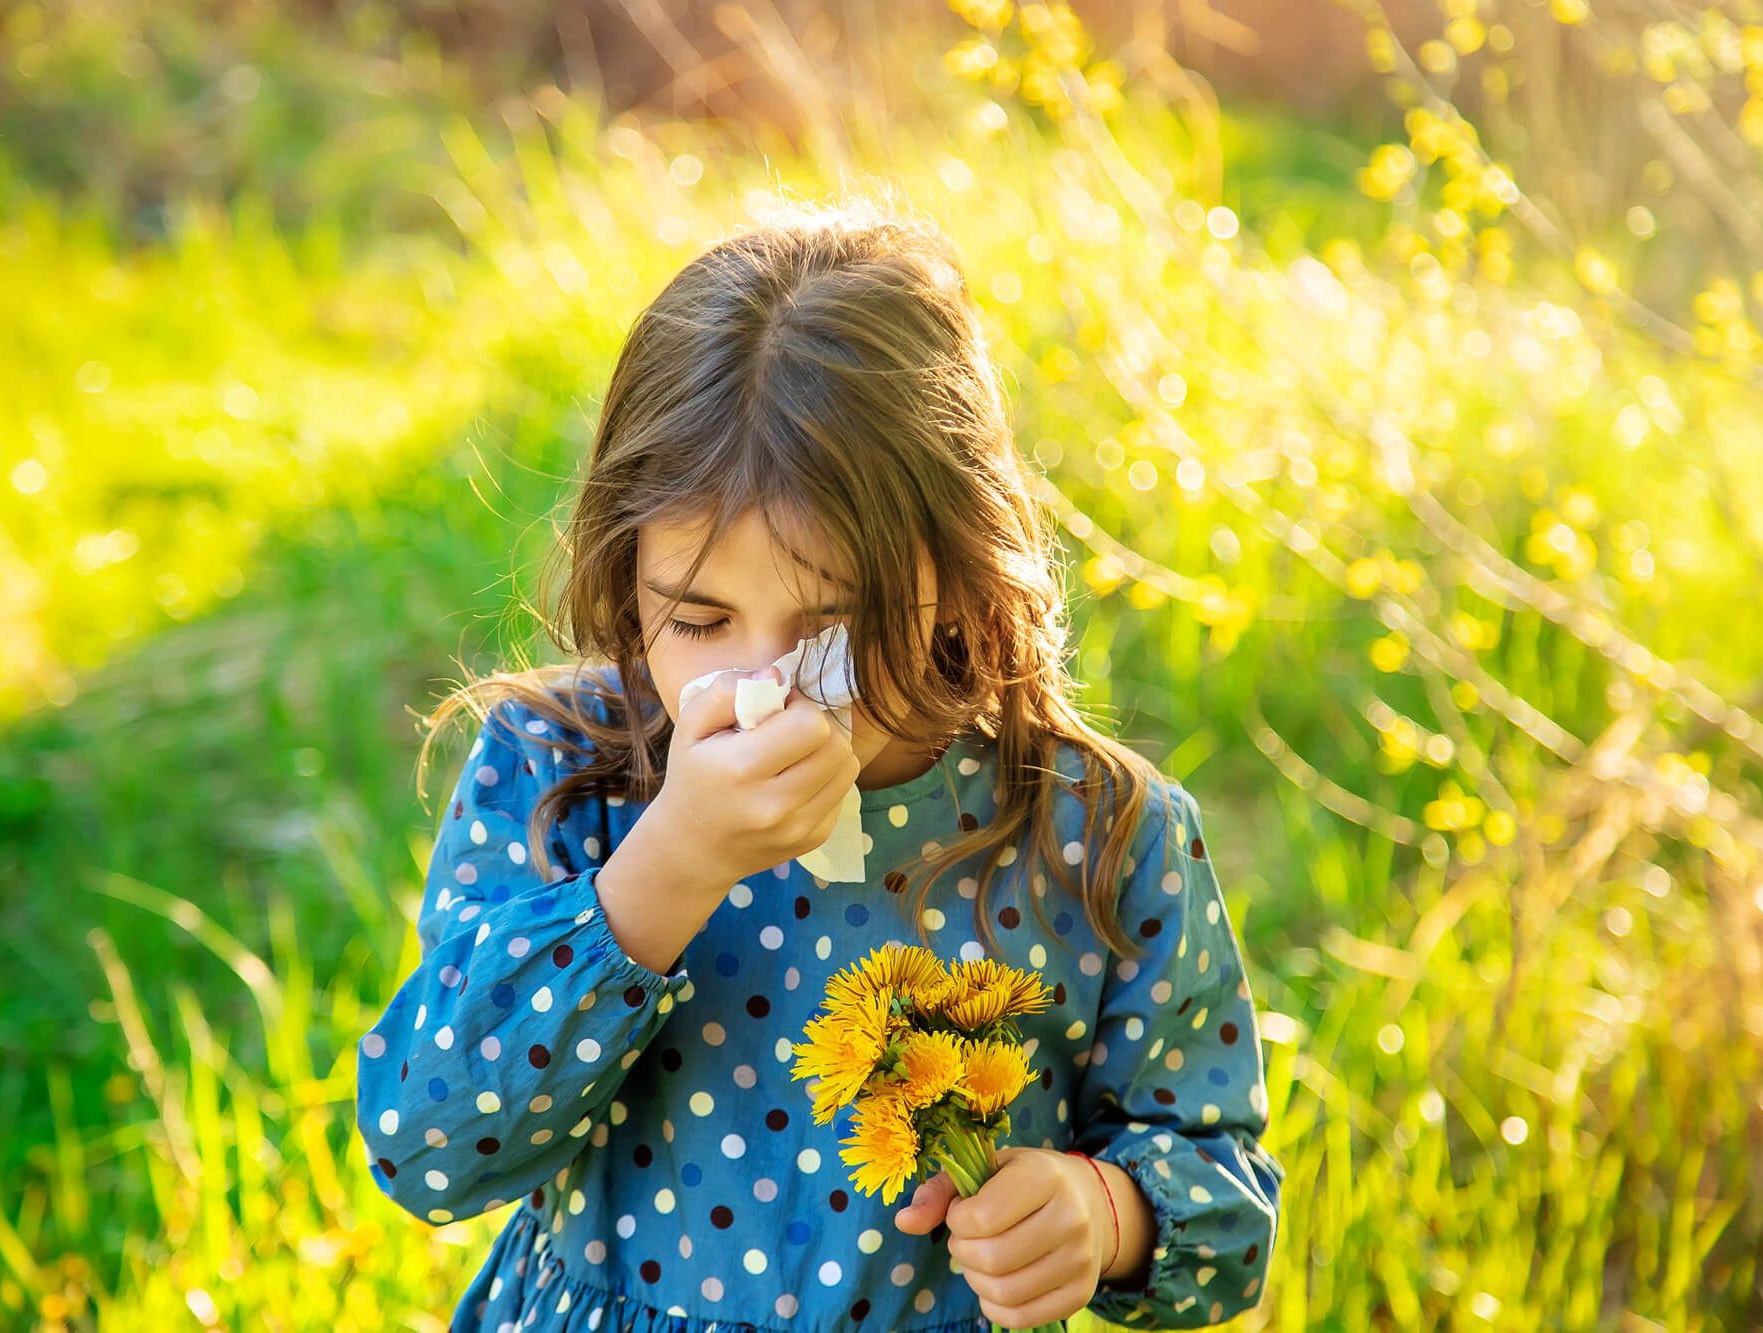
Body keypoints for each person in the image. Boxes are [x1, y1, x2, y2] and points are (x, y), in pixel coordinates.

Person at [354, 193, 1284, 1332]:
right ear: (623, 576)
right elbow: (424, 1146)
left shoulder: (1097, 835)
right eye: (698, 621)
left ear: (960, 566)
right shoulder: (565, 776)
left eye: (832, 625)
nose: (765, 689)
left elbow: (1227, 1213)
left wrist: (1102, 1212)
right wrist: (669, 863)